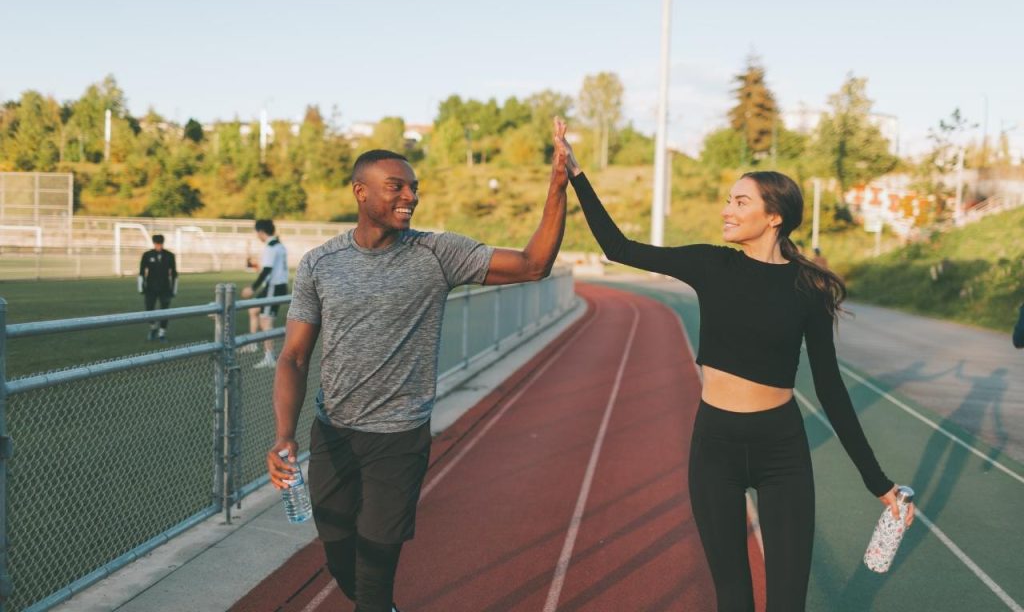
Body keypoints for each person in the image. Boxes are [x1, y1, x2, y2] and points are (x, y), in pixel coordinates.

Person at [558, 128, 914, 612]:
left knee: (788, 602)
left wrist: (879, 483)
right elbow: (620, 248)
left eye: (740, 202)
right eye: (728, 200)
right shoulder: (711, 265)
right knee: (734, 599)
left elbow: (830, 390)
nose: (727, 209)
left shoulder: (807, 289)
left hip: (782, 449)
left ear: (774, 216)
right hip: (715, 447)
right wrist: (577, 174)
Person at [265, 118, 570, 612]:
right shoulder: (321, 264)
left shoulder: (438, 253)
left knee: (375, 570)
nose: (409, 196)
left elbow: (534, 264)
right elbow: (294, 356)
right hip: (333, 434)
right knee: (341, 557)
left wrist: (557, 187)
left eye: (414, 188)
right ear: (360, 192)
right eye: (396, 187)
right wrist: (284, 435)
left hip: (399, 438)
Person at [242, 219, 289, 369]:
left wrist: (252, 288)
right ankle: (253, 343)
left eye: (257, 233)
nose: (257, 236)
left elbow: (267, 270)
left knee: (266, 321)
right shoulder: (279, 245)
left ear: (261, 232)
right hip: (277, 286)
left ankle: (269, 356)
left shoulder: (270, 247)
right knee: (254, 309)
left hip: (273, 287)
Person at [138, 234, 177, 342]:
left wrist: (174, 289)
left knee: (165, 311)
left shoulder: (170, 256)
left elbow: (174, 274)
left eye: (160, 244)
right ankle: (153, 327)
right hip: (150, 288)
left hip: (165, 288)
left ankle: (162, 334)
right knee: (149, 309)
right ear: (154, 243)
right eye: (156, 244)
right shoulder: (147, 255)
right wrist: (141, 287)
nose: (158, 246)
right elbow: (141, 272)